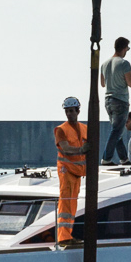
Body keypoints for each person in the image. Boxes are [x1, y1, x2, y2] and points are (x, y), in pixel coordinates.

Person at [53, 97, 90, 243]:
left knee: (72, 203)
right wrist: (82, 149)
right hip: (66, 171)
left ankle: (67, 235)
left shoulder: (85, 128)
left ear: (78, 111)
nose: (69, 114)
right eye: (67, 111)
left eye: (71, 111)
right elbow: (66, 149)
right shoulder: (61, 130)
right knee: (66, 203)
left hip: (77, 172)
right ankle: (63, 237)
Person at [99, 37, 131, 165]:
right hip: (120, 100)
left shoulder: (104, 64)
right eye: (128, 48)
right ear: (124, 48)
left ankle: (123, 158)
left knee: (117, 131)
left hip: (108, 100)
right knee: (116, 131)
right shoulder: (124, 63)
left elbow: (103, 83)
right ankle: (106, 158)